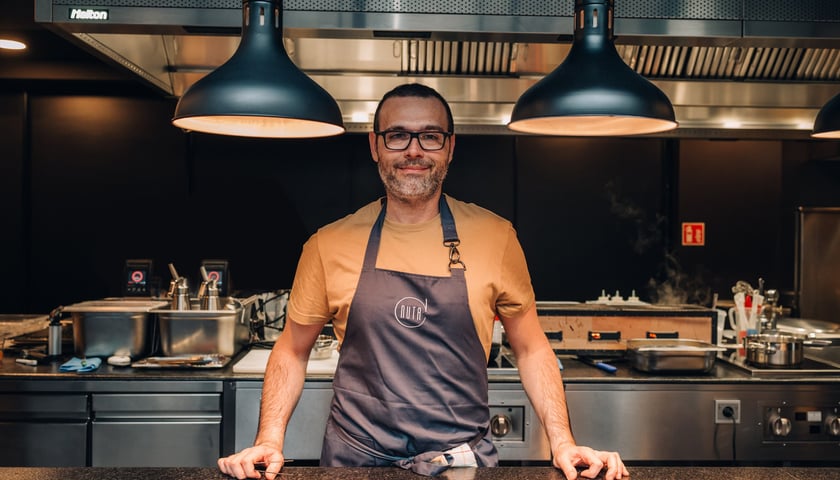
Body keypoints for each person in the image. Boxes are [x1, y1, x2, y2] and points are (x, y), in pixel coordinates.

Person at [218, 83, 629, 480]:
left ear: (450, 147)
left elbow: (531, 347)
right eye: (397, 135)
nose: (413, 151)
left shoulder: (496, 237)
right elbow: (292, 350)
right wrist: (268, 440)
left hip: (460, 464)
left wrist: (562, 442)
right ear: (375, 146)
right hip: (355, 463)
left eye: (430, 136)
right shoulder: (328, 244)